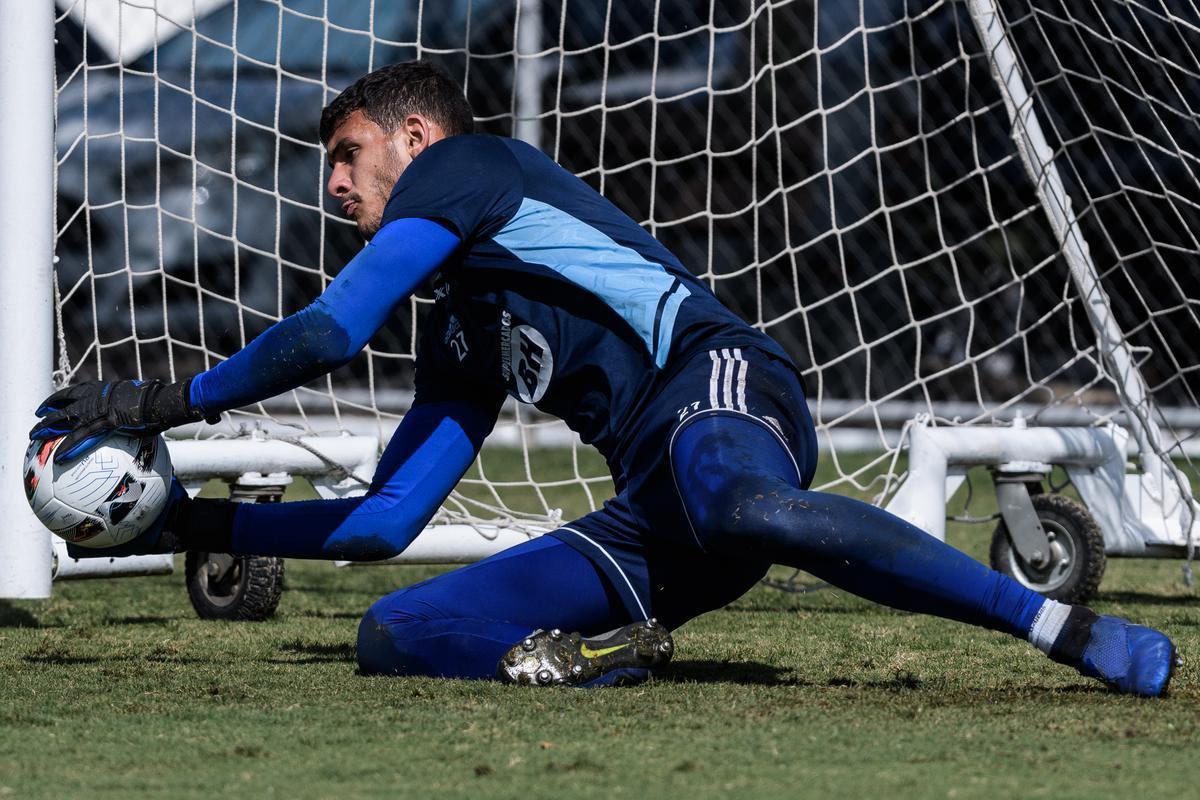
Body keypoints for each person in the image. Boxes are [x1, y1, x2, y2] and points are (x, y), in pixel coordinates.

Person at [31, 61, 1179, 694]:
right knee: (398, 629)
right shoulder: (462, 323)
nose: (331, 183)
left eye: (346, 154)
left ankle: (1061, 629)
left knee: (734, 494)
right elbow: (387, 520)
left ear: (417, 139)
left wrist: (153, 402)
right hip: (657, 513)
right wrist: (185, 523)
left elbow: (329, 335)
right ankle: (580, 668)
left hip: (722, 385)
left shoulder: (474, 169)